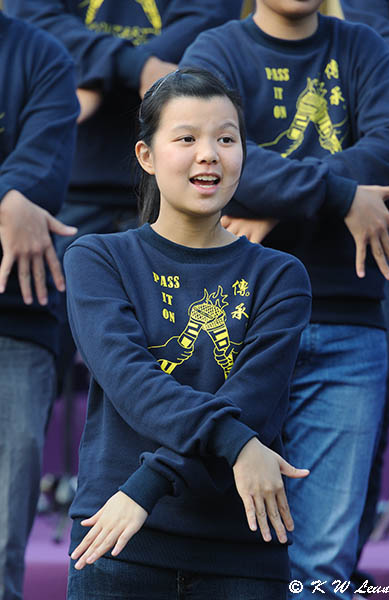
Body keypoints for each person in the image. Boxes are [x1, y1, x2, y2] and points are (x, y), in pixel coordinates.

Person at [63, 67, 312, 600]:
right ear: (146, 157)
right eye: (186, 138)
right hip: (117, 545)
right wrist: (238, 444)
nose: (209, 154)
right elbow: (134, 383)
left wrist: (147, 486)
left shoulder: (281, 274)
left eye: (226, 138)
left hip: (241, 554)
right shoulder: (98, 258)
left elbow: (254, 400)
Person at [179, 1, 389, 598]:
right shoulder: (214, 52)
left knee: (322, 565)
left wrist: (273, 200)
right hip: (235, 325)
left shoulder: (366, 50)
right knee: (213, 545)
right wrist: (340, 194)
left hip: (349, 324)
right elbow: (208, 161)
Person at [4, 0, 245, 384]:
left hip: (177, 192)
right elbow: (34, 18)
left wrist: (99, 71)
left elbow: (207, 20)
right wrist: (138, 69)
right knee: (33, 382)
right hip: (58, 194)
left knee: (184, 369)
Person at [0, 12, 79, 600]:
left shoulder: (44, 56)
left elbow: (42, 180)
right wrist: (8, 200)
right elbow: (20, 197)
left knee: (4, 531)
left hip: (18, 315)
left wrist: (22, 199)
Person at [340, 0, 389, 592]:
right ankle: (338, 567)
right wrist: (334, 190)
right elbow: (380, 47)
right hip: (382, 226)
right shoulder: (362, 32)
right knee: (372, 405)